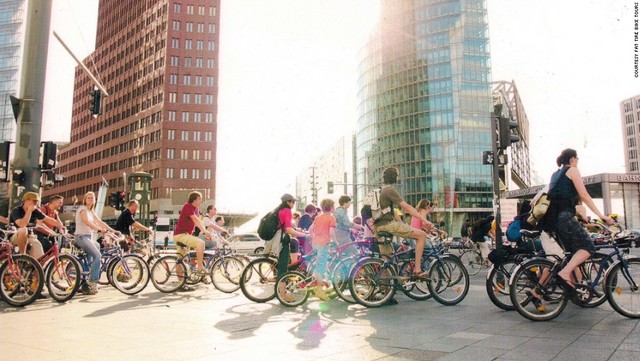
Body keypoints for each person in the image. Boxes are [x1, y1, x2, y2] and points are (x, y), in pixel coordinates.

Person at [544, 149, 613, 289]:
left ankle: (569, 289)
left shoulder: (555, 174)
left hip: (553, 220)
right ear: (572, 159)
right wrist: (602, 216)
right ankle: (565, 273)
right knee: (588, 247)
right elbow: (584, 196)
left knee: (572, 255)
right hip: (565, 217)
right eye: (577, 160)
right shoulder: (573, 170)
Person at [373, 166, 434, 281]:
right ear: (395, 177)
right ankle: (417, 269)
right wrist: (425, 220)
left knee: (388, 260)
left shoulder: (382, 190)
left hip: (378, 227)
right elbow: (407, 207)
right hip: (388, 225)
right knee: (421, 235)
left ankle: (385, 292)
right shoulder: (389, 190)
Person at [75, 191, 118, 295]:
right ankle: (93, 282)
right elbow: (86, 222)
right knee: (98, 256)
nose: (90, 199)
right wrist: (99, 230)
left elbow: (100, 221)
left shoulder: (91, 211)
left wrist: (113, 231)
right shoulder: (83, 209)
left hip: (88, 238)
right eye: (88, 197)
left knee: (98, 246)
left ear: (95, 200)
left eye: (92, 197)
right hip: (81, 237)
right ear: (85, 199)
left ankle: (87, 275)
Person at [272, 194, 307, 302]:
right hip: (282, 241)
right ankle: (283, 296)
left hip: (276, 240)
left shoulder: (278, 210)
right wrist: (306, 235)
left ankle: (280, 290)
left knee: (283, 266)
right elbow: (288, 230)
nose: (294, 203)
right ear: (288, 202)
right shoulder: (287, 211)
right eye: (293, 201)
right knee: (283, 269)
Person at [173, 191, 211, 290]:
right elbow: (195, 220)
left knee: (182, 260)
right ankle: (200, 268)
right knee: (200, 243)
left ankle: (182, 283)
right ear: (194, 199)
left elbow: (199, 222)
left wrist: (205, 232)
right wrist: (204, 231)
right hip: (180, 235)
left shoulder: (196, 210)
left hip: (186, 235)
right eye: (200, 199)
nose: (201, 201)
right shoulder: (188, 206)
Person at [9, 192, 61, 259]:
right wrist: (29, 211)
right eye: (34, 201)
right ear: (27, 200)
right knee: (23, 230)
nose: (36, 203)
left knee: (40, 258)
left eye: (37, 201)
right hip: (15, 236)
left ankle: (35, 267)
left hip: (30, 237)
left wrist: (60, 226)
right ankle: (22, 257)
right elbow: (22, 224)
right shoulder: (16, 210)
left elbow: (47, 219)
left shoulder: (35, 210)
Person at [308, 198, 336, 302]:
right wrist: (336, 242)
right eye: (334, 206)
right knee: (320, 266)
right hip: (324, 243)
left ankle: (322, 284)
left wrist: (314, 238)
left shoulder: (318, 217)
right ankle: (319, 290)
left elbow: (310, 230)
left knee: (320, 264)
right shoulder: (331, 218)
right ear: (331, 207)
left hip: (315, 243)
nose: (334, 208)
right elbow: (332, 232)